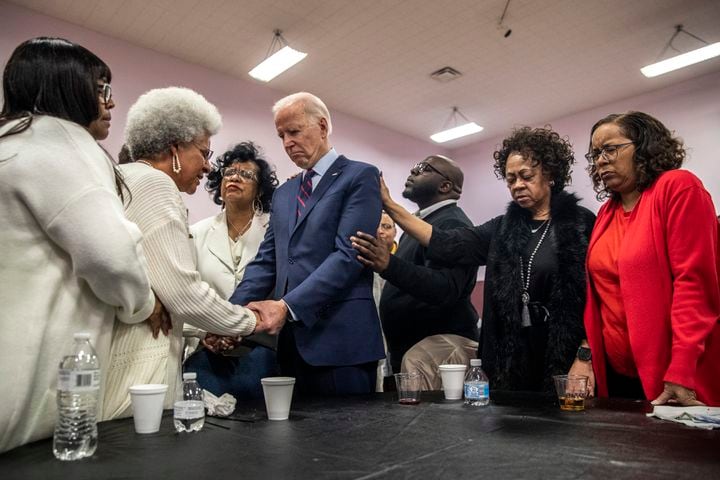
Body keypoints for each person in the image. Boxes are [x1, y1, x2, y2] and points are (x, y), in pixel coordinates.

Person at [0, 37, 156, 453]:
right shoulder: (61, 140)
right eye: (102, 89)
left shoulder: (10, 143)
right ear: (66, 87)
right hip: (25, 387)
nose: (110, 103)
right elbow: (111, 254)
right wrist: (143, 304)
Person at [379, 127, 596, 393]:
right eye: (510, 179)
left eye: (526, 176)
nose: (517, 185)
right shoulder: (501, 228)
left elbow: (597, 299)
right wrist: (390, 206)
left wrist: (585, 357)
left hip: (565, 359)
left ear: (549, 174)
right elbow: (448, 243)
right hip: (510, 362)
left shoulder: (581, 224)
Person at [102, 87, 263, 419]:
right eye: (203, 153)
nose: (207, 167)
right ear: (175, 147)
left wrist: (203, 328)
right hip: (139, 360)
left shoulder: (124, 178)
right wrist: (251, 321)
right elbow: (182, 293)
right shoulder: (155, 184)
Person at [229, 92, 385, 395]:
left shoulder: (359, 176)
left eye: (295, 131)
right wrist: (230, 317)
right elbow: (267, 261)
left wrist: (287, 306)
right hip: (292, 348)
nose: (287, 142)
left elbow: (349, 255)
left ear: (323, 127)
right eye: (281, 135)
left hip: (342, 345)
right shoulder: (285, 194)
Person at [583, 111, 720, 405]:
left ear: (644, 147)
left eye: (610, 148)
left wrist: (681, 369)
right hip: (619, 377)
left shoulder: (678, 187)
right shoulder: (606, 214)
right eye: (595, 153)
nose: (601, 160)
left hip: (673, 377)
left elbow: (695, 285)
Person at [351, 155, 479, 387]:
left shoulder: (452, 223)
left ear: (445, 186)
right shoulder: (421, 225)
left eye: (423, 168)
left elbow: (445, 288)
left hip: (439, 353)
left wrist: (388, 264)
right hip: (414, 350)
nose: (413, 171)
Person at [183, 142, 280, 399]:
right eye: (229, 172)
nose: (235, 177)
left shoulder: (275, 232)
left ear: (260, 189)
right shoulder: (196, 232)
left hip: (261, 350)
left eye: (247, 174)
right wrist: (208, 332)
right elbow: (187, 291)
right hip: (208, 349)